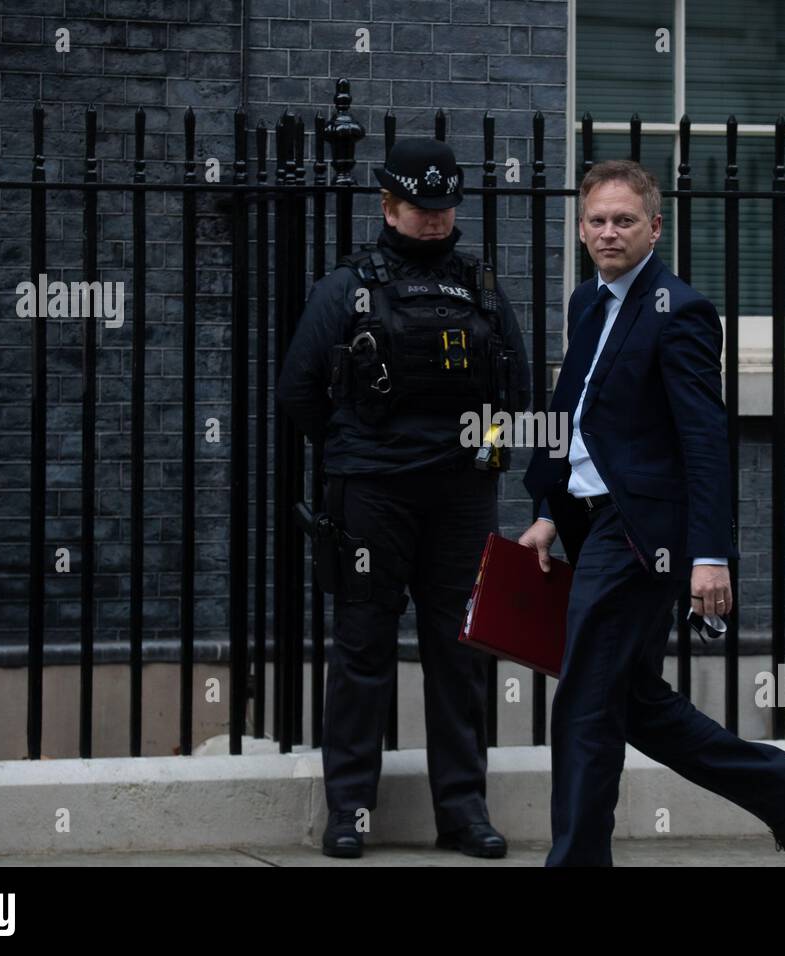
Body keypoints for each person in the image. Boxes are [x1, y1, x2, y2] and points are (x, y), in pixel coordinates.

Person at [518, 159, 785, 867]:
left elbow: (704, 440)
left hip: (640, 537)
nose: (610, 232)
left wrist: (709, 554)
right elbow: (571, 414)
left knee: (583, 702)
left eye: (625, 220)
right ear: (581, 229)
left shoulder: (681, 310)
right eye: (598, 220)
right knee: (631, 702)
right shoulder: (587, 301)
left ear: (655, 227)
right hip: (589, 520)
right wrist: (547, 506)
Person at [278, 138, 531, 860]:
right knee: (363, 649)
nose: (434, 219)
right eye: (420, 208)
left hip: (460, 498)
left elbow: (514, 389)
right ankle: (349, 811)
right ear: (389, 206)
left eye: (444, 208)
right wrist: (357, 449)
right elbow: (296, 390)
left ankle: (463, 813)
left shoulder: (479, 284)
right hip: (375, 496)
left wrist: (478, 455)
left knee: (462, 653)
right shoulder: (348, 287)